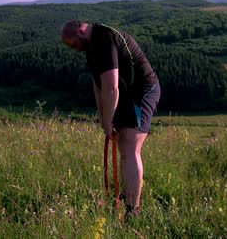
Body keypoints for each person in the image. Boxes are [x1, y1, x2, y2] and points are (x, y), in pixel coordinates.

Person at [61, 20, 161, 217]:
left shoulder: (104, 38)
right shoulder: (91, 46)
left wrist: (109, 121)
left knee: (131, 147)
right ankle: (126, 196)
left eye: (73, 44)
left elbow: (111, 87)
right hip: (126, 92)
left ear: (81, 31)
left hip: (142, 90)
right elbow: (98, 85)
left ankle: (134, 210)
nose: (74, 49)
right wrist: (103, 117)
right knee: (124, 147)